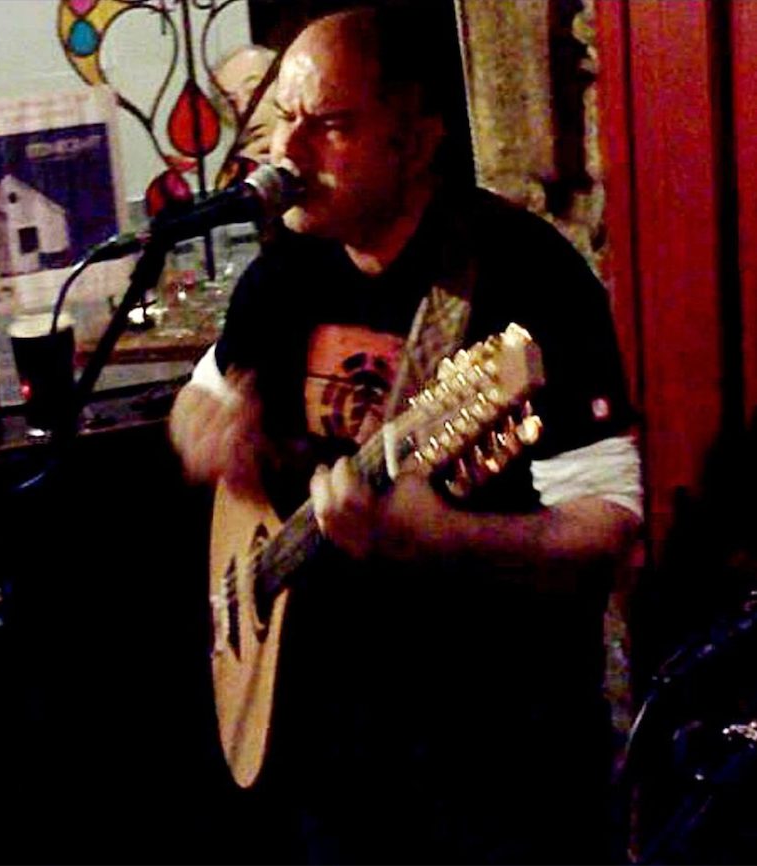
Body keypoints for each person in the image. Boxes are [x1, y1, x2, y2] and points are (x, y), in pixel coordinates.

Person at [170, 3, 643, 863]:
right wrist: (211, 438)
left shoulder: (526, 276)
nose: (290, 153)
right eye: (286, 120)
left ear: (416, 140)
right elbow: (195, 406)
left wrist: (445, 539)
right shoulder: (284, 273)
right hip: (323, 746)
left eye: (331, 127)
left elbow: (609, 519)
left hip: (490, 753)